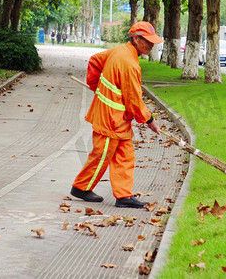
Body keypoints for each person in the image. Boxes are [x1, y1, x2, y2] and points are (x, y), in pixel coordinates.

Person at [70, 21, 163, 209]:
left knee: (125, 155)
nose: (151, 45)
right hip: (110, 119)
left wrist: (96, 86)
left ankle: (124, 196)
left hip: (118, 118)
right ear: (136, 39)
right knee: (102, 155)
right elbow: (134, 99)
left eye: (153, 42)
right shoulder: (129, 63)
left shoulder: (120, 51)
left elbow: (96, 60)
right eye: (148, 41)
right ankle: (81, 187)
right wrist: (149, 120)